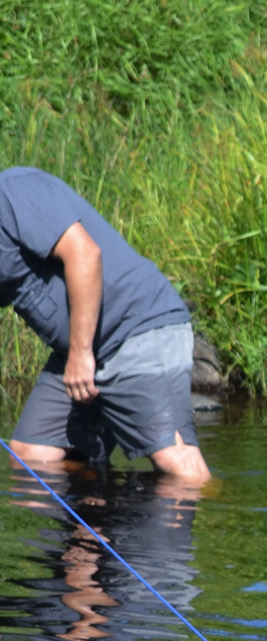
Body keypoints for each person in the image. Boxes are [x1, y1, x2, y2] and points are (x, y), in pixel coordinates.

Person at [1, 166, 211, 482]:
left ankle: (234, 519)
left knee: (174, 461)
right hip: (80, 348)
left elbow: (85, 254)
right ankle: (103, 513)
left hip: (135, 327)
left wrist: (81, 353)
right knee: (32, 454)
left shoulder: (13, 192)